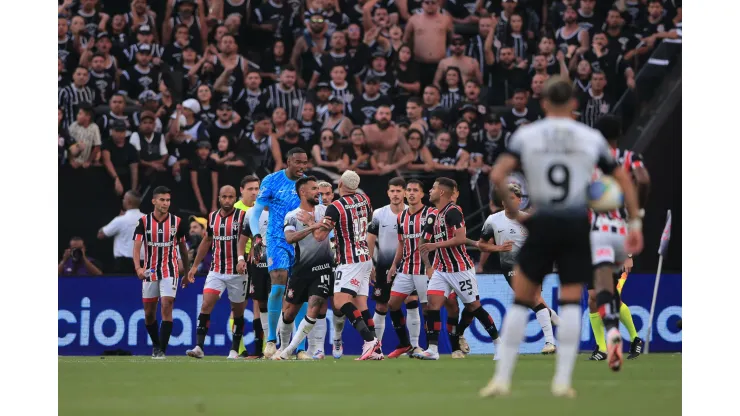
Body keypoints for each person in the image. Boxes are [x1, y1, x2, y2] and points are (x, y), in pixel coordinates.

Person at [481, 76, 643, 398]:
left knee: (520, 301)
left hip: (543, 221)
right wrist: (635, 222)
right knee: (571, 302)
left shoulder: (528, 134)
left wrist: (510, 207)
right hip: (574, 223)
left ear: (542, 103)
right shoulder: (589, 137)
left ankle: (501, 378)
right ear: (574, 104)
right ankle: (563, 381)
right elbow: (623, 177)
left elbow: (497, 174)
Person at [587, 115, 650, 362]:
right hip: (615, 234)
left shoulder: (590, 163)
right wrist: (639, 211)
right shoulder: (630, 158)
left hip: (601, 235)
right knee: (594, 295)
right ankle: (603, 347)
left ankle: (630, 336)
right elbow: (643, 180)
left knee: (606, 292)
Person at [415, 178, 501, 360]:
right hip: (441, 269)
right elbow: (425, 243)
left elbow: (460, 238)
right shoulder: (435, 214)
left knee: (474, 307)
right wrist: (429, 265)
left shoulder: (453, 211)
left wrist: (434, 245)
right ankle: (432, 349)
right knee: (432, 305)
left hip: (460, 268)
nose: (430, 191)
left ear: (442, 193)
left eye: (433, 188)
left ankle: (498, 345)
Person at [477, 183, 560, 354]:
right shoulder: (493, 220)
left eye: (512, 197)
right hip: (508, 267)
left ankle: (550, 342)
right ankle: (556, 321)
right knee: (532, 300)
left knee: (533, 298)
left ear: (519, 200)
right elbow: (482, 245)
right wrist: (498, 249)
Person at [249, 148, 309, 358]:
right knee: (278, 285)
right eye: (298, 162)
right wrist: (257, 235)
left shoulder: (308, 183)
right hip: (277, 240)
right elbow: (256, 211)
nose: (302, 166)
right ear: (288, 162)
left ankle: (300, 348)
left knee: (300, 293)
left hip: (302, 241)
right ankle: (271, 341)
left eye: (305, 163)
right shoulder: (272, 180)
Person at [322, 170, 382, 360]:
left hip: (349, 260)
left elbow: (320, 236)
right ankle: (376, 350)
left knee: (340, 302)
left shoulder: (335, 206)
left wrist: (312, 224)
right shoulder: (365, 199)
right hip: (365, 257)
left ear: (340, 183)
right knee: (361, 304)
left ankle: (370, 341)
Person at [272, 177, 334, 360]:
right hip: (301, 269)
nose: (318, 192)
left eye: (319, 189)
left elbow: (323, 234)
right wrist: (313, 225)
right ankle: (282, 346)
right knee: (290, 312)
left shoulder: (327, 210)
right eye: (314, 189)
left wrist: (313, 223)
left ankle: (290, 351)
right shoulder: (291, 215)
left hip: (323, 267)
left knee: (314, 306)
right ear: (302, 192)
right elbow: (290, 238)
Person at [185, 186, 250, 359]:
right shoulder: (212, 217)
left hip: (238, 272)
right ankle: (199, 347)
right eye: (224, 197)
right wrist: (194, 266)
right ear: (219, 198)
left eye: (231, 197)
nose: (227, 200)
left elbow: (251, 239)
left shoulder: (242, 217)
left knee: (237, 312)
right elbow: (206, 241)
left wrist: (247, 259)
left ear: (235, 198)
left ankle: (235, 349)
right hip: (217, 270)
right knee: (206, 305)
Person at [132, 186, 190, 359]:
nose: (166, 203)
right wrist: (138, 268)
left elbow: (183, 249)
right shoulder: (143, 222)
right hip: (149, 271)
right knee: (149, 313)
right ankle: (156, 345)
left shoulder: (177, 222)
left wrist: (187, 272)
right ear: (154, 201)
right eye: (162, 200)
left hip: (170, 270)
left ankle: (161, 350)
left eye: (168, 200)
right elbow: (136, 248)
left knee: (167, 304)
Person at [367, 177, 418, 347]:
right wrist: (370, 264)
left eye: (399, 191)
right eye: (392, 191)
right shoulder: (379, 214)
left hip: (409, 266)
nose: (395, 194)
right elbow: (370, 240)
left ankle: (415, 345)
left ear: (404, 192)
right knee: (382, 306)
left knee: (411, 302)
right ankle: (376, 347)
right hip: (383, 265)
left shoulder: (413, 214)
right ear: (388, 193)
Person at [386, 179, 433, 358]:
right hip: (406, 268)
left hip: (424, 269)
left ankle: (430, 348)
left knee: (427, 308)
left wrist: (432, 265)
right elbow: (401, 243)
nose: (411, 193)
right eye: (409, 190)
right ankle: (405, 344)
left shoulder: (431, 213)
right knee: (393, 304)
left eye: (415, 190)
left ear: (422, 194)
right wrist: (393, 266)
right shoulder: (401, 217)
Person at [233, 175, 270, 359]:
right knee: (238, 307)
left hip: (260, 261)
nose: (255, 192)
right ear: (241, 190)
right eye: (251, 189)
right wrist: (240, 257)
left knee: (260, 302)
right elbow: (237, 238)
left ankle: (263, 348)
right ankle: (238, 349)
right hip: (241, 263)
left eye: (257, 189)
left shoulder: (267, 209)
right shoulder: (236, 210)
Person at [98, 191, 144, 274]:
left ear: (129, 202)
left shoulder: (120, 220)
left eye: (124, 199)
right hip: (144, 263)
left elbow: (101, 234)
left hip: (124, 265)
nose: (123, 201)